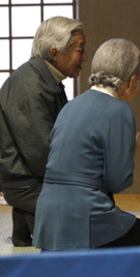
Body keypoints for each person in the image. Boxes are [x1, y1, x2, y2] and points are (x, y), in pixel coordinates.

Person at [33, 38, 140, 250]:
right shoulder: (119, 111)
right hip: (85, 217)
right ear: (132, 81)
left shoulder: (71, 106)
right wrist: (130, 152)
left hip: (48, 217)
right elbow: (117, 182)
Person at [0, 16, 85, 246]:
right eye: (80, 50)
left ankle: (27, 217)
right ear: (56, 52)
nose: (83, 58)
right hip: (28, 183)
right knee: (88, 221)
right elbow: (41, 153)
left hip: (36, 178)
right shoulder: (28, 85)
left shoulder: (46, 80)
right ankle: (31, 214)